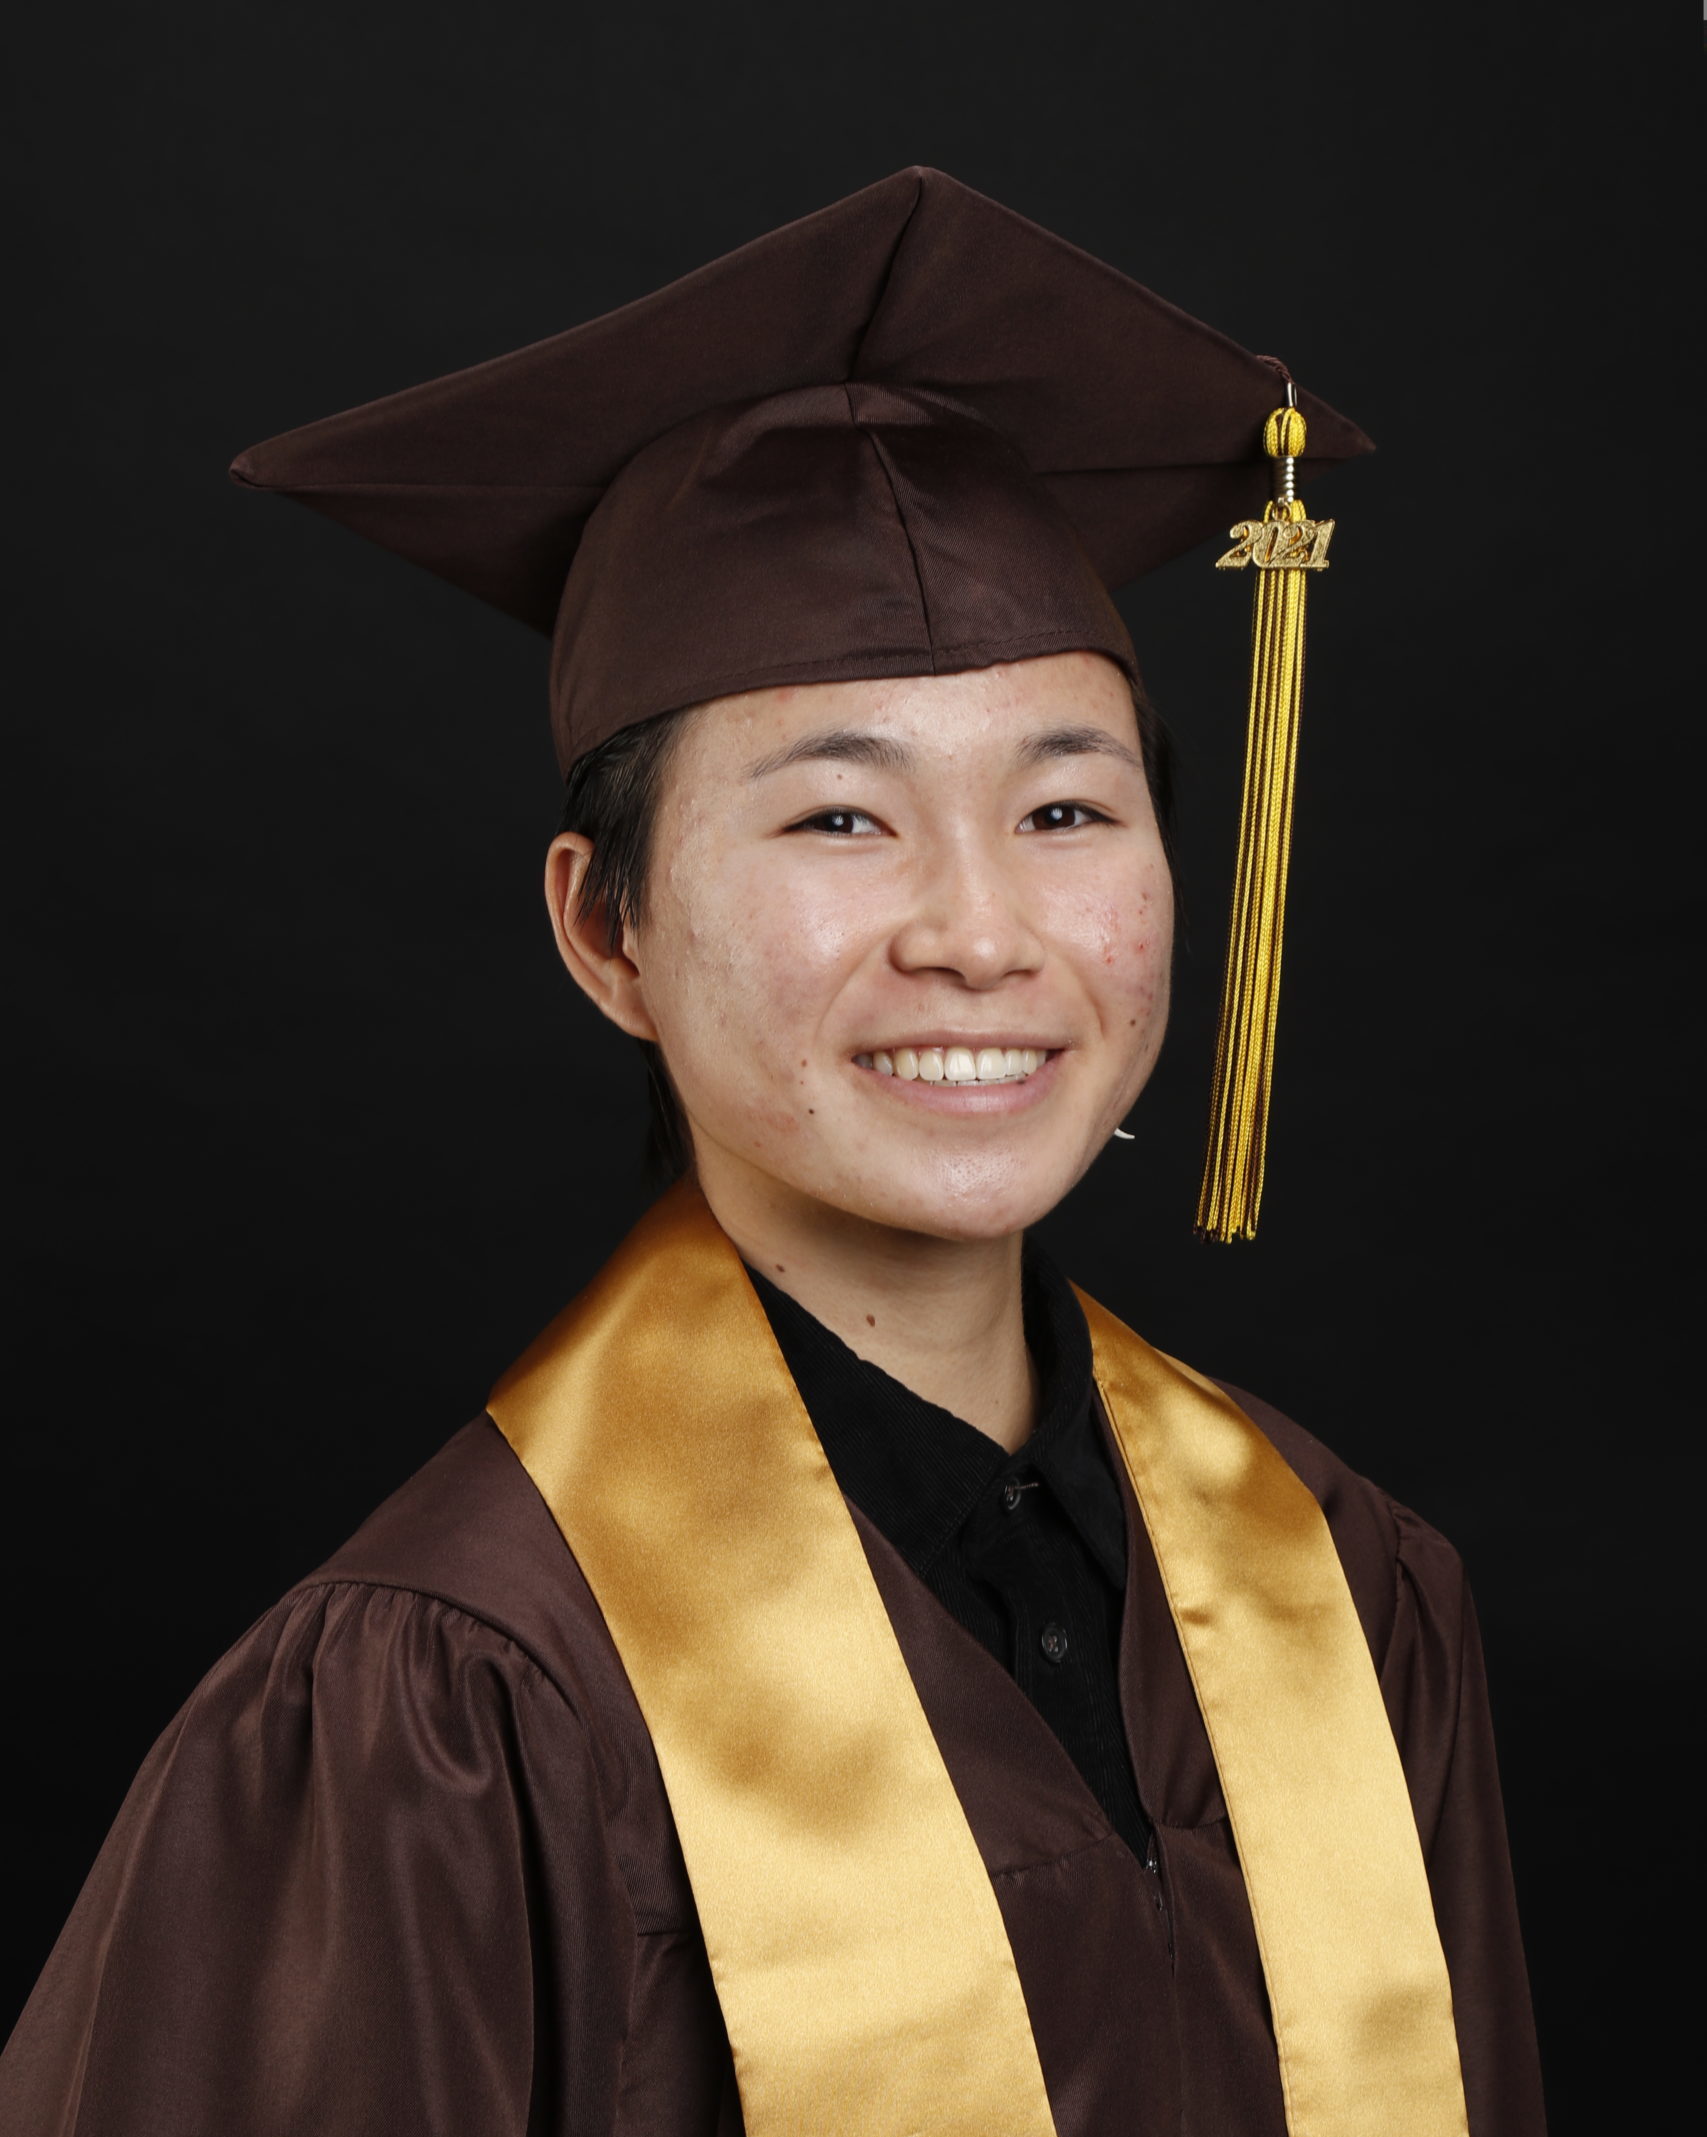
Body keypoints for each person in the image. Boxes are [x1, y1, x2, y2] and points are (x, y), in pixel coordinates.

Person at [0, 168, 1545, 2137]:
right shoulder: (446, 1703)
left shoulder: (1345, 1583)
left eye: (1063, 812)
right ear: (605, 929)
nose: (978, 932)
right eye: (837, 820)